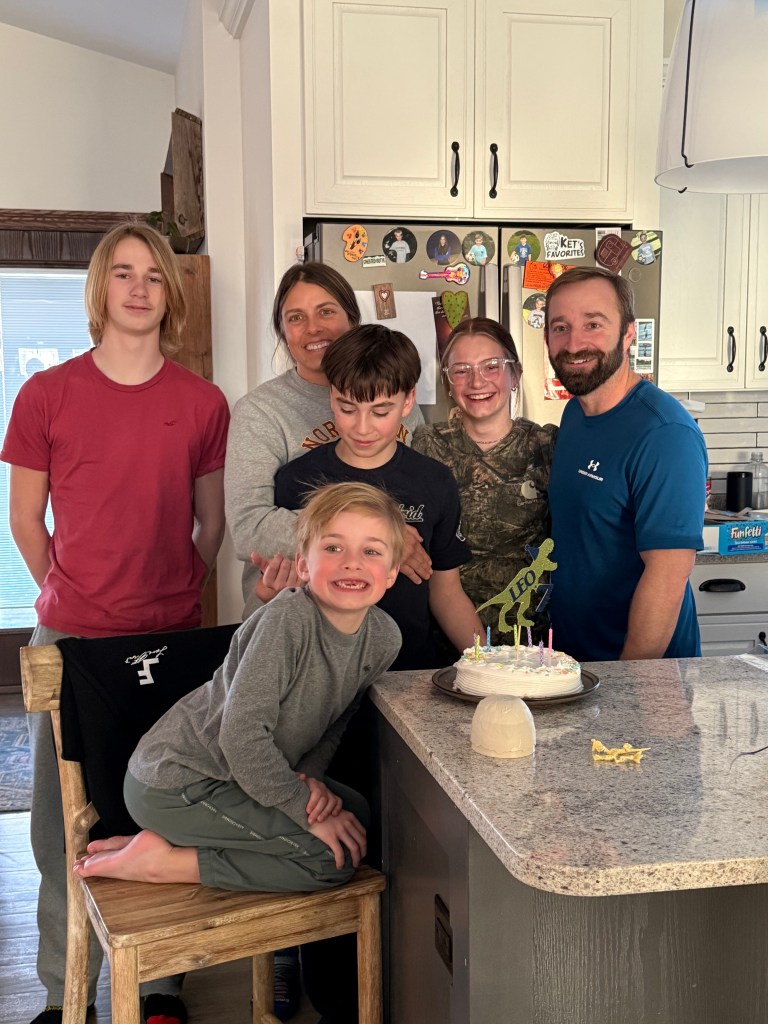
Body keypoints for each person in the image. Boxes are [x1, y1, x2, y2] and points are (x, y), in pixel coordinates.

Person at [1, 223, 230, 1024]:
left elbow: (211, 523)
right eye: (123, 273)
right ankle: (65, 992)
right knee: (59, 826)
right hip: (71, 643)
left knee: (162, 810)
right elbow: (24, 518)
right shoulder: (46, 394)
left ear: (170, 295)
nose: (138, 288)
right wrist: (67, 592)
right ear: (99, 289)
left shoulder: (202, 403)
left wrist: (180, 587)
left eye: (154, 276)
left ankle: (162, 988)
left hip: (171, 643)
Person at [72, 482, 403, 890]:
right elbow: (240, 736)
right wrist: (300, 807)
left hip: (241, 777)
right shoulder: (287, 622)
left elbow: (335, 722)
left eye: (371, 552)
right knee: (331, 859)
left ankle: (174, 840)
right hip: (178, 784)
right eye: (333, 548)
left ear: (392, 572)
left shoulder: (384, 638)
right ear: (303, 565)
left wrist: (310, 784)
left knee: (357, 816)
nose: (352, 563)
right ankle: (163, 862)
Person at [274, 323, 484, 669]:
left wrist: (489, 664)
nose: (362, 427)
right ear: (330, 396)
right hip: (321, 675)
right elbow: (287, 592)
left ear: (408, 401)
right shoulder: (297, 480)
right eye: (347, 408)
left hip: (409, 671)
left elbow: (446, 593)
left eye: (380, 411)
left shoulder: (434, 481)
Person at [224, 262, 425, 621]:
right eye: (296, 318)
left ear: (352, 318)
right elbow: (249, 527)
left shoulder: (397, 399)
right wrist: (380, 535)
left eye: (326, 311)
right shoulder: (260, 411)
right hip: (291, 614)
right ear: (283, 332)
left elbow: (421, 493)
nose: (313, 327)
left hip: (394, 616)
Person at [543, 266, 707, 662]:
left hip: (641, 674)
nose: (574, 343)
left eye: (593, 324)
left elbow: (667, 577)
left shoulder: (665, 434)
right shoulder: (575, 414)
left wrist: (628, 685)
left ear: (629, 333)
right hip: (575, 663)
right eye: (560, 327)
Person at [412, 318, 557, 644]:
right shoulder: (425, 446)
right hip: (439, 642)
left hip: (530, 642)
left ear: (515, 374)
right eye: (461, 370)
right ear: (449, 382)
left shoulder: (547, 447)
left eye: (491, 367)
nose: (477, 381)